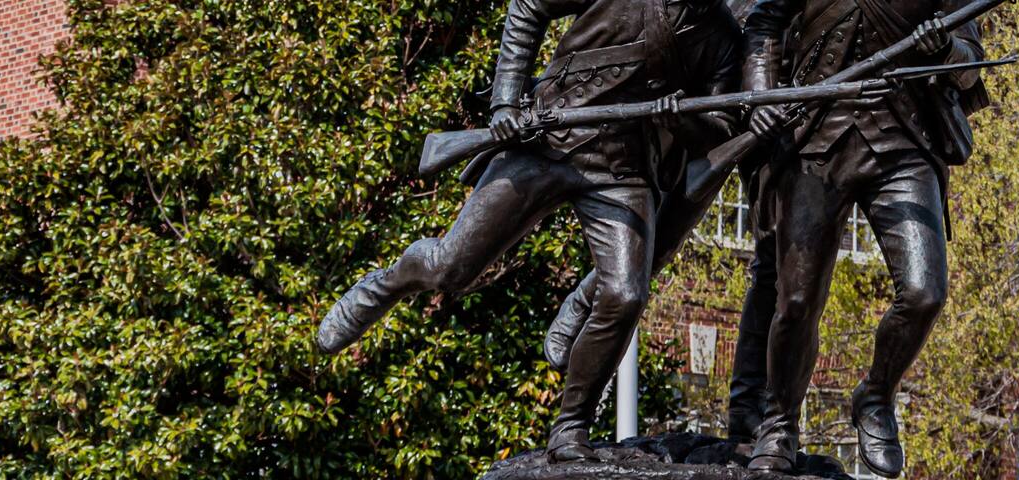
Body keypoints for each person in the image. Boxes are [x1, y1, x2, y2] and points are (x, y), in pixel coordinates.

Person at [312, 0, 741, 463]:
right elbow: (528, 8)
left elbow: (719, 126)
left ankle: (571, 425)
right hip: (546, 142)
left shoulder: (722, 39)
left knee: (625, 295)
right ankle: (389, 282)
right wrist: (506, 101)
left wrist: (681, 120)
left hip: (621, 171)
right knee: (450, 269)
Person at [737, 0, 988, 474]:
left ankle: (875, 396)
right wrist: (760, 96)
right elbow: (765, 22)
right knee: (794, 303)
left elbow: (971, 62)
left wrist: (947, 48)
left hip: (903, 141)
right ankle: (779, 423)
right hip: (814, 136)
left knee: (924, 291)